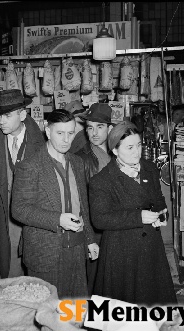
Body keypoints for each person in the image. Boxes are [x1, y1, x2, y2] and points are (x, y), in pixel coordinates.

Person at [12, 109, 98, 299]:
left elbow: (83, 204)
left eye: (70, 133)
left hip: (76, 249)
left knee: (76, 310)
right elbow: (19, 209)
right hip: (45, 252)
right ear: (47, 131)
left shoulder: (77, 162)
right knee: (48, 313)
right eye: (60, 133)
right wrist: (58, 219)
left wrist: (90, 239)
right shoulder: (31, 165)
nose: (66, 140)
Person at [89, 121, 177, 306]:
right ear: (115, 150)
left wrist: (161, 213)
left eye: (139, 145)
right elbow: (99, 219)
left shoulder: (149, 168)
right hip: (121, 252)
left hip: (150, 248)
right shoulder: (102, 181)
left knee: (153, 303)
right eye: (129, 147)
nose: (136, 152)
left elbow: (158, 198)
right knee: (123, 308)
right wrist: (138, 217)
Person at [0, 89, 45, 278]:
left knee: (31, 276)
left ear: (22, 114)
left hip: (31, 221)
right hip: (3, 221)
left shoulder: (41, 146)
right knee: (4, 275)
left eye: (7, 115)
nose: (1, 121)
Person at [75, 103, 113, 295]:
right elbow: (79, 201)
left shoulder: (118, 154)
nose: (94, 132)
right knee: (94, 280)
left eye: (100, 126)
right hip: (94, 227)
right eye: (90, 127)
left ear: (110, 128)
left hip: (115, 225)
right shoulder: (80, 159)